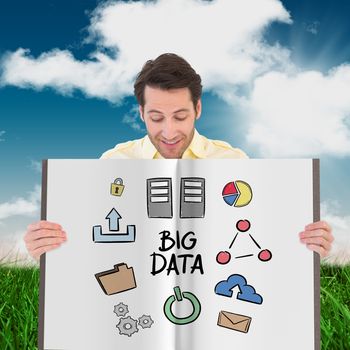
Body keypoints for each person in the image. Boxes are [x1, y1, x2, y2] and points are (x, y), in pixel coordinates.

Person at [24, 53, 334, 260]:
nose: (169, 132)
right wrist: (51, 252)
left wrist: (305, 246)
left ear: (198, 110)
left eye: (181, 116)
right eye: (156, 118)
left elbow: (257, 234)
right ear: (141, 113)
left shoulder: (232, 163)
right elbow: (95, 244)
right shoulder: (116, 164)